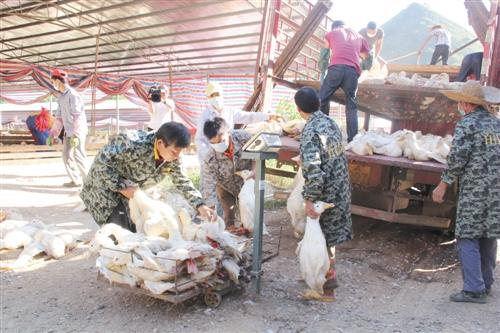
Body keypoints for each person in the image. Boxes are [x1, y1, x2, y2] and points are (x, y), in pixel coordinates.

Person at [432, 81, 500, 304]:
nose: (459, 104)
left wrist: (443, 184)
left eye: (461, 100)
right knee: (488, 235)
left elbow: (457, 159)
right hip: (496, 191)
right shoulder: (496, 124)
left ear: (466, 103)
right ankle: (486, 284)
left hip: (475, 191)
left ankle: (473, 289)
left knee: (467, 236)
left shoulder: (467, 124)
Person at [80, 122, 214, 231]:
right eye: (174, 151)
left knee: (139, 231)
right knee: (121, 238)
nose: (177, 156)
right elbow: (102, 161)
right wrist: (120, 187)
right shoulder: (131, 142)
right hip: (104, 189)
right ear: (160, 143)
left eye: (180, 152)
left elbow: (182, 181)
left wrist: (200, 205)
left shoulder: (173, 159)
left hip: (130, 192)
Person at [295, 87, 353, 301]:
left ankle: (327, 288)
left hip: (325, 193)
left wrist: (310, 199)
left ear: (299, 109)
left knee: (322, 239)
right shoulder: (330, 123)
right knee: (329, 237)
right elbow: (332, 156)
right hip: (340, 188)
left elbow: (314, 169)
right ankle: (322, 275)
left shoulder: (310, 130)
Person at [319, 20, 370, 142]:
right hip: (352, 72)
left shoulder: (331, 33)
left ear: (334, 27)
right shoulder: (359, 36)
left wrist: (322, 70)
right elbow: (367, 57)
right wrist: (364, 68)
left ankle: (322, 133)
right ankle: (353, 140)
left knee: (322, 100)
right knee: (351, 106)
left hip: (336, 69)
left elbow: (324, 54)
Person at [202, 117, 253, 227]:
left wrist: (255, 171)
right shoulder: (209, 158)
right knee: (228, 215)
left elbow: (259, 155)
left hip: (247, 183)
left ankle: (249, 234)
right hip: (226, 187)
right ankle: (231, 231)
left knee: (249, 215)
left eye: (221, 141)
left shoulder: (244, 137)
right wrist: (210, 210)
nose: (219, 146)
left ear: (228, 132)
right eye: (214, 143)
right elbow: (208, 185)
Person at [49, 69, 88, 187]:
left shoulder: (73, 95)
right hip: (69, 131)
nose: (52, 84)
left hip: (77, 131)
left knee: (79, 156)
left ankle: (89, 183)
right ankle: (76, 180)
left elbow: (77, 116)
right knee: (66, 155)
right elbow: (59, 118)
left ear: (58, 81)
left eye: (52, 81)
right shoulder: (61, 97)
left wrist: (76, 134)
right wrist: (53, 135)